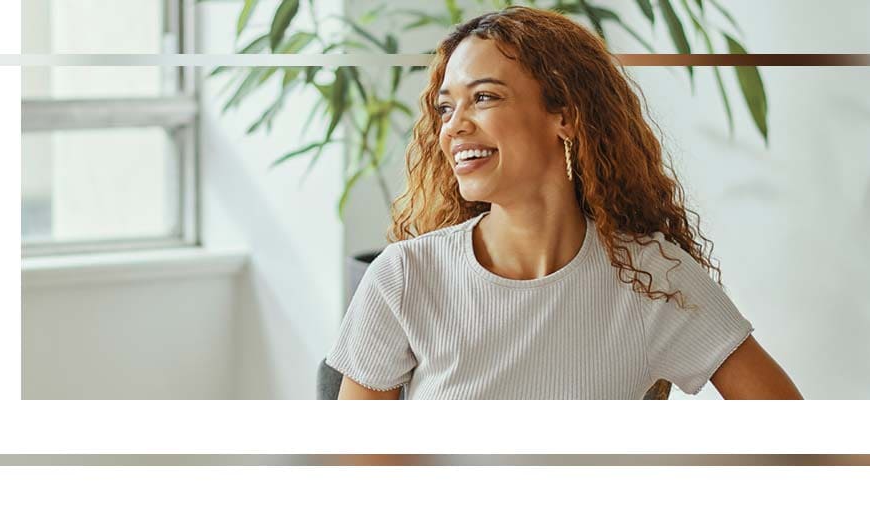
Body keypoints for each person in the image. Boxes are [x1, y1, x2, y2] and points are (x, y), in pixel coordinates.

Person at [326, 6, 802, 400]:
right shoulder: (407, 277)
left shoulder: (652, 278)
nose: (453, 127)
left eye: (484, 97)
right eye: (446, 107)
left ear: (565, 117)